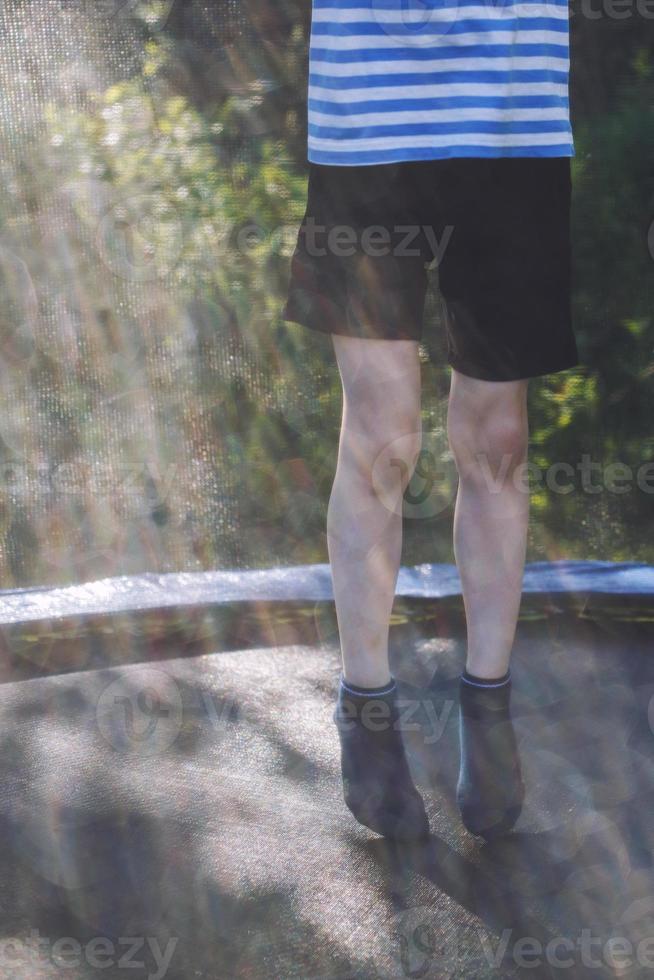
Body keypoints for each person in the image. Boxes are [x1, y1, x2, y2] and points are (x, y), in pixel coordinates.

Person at [282, 0, 579, 841]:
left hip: (511, 112)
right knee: (383, 434)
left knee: (497, 438)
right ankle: (366, 705)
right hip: (371, 110)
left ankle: (487, 706)